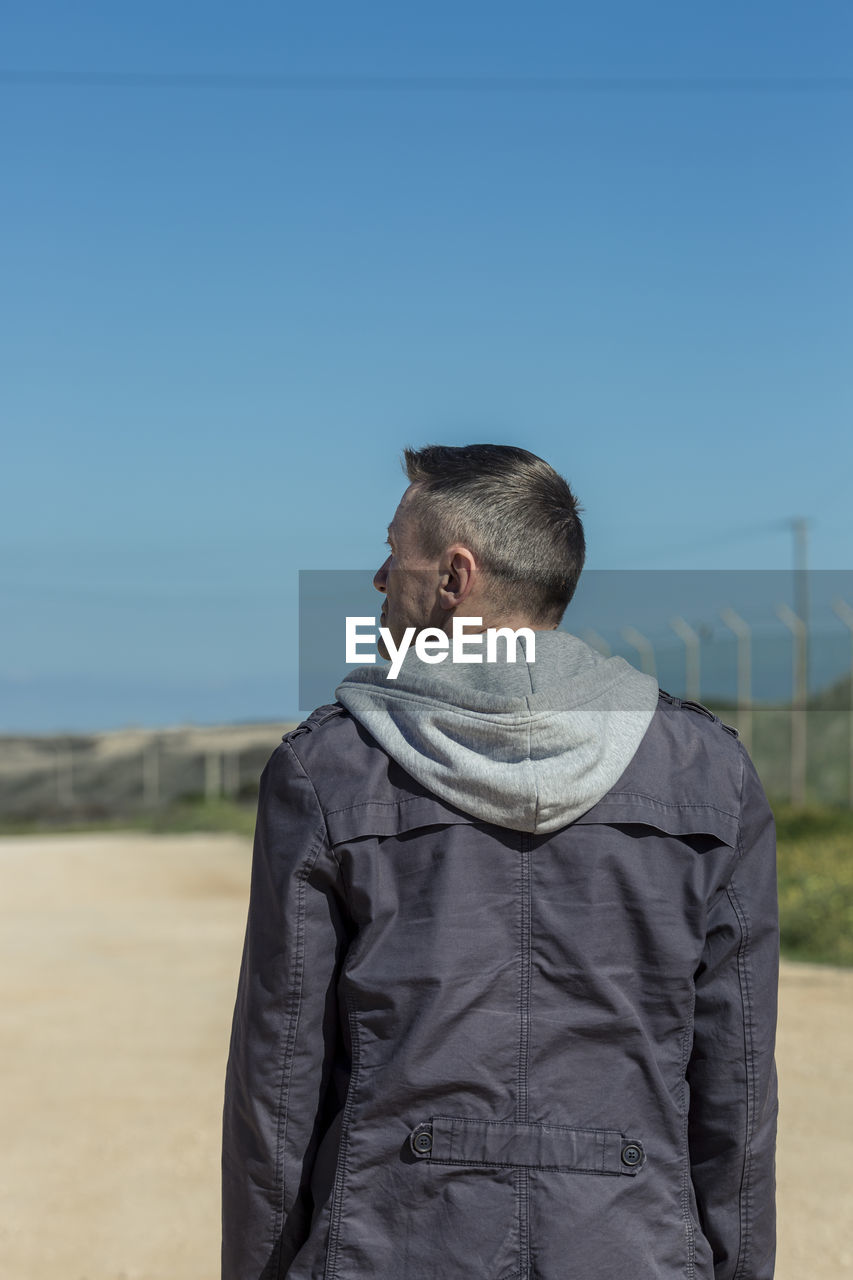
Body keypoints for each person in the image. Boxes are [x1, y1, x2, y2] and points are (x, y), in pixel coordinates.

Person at [221, 443, 779, 1280]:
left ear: (453, 576)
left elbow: (280, 1078)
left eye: (392, 549)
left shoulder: (327, 769)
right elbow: (735, 1080)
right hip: (633, 1249)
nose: (377, 578)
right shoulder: (708, 773)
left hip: (388, 1244)